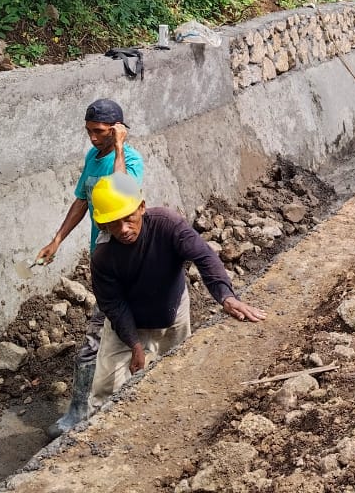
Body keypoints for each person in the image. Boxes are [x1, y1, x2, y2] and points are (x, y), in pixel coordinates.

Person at [88, 171, 266, 414]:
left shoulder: (166, 224)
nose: (123, 229)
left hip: (172, 310)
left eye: (128, 218)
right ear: (102, 223)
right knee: (106, 388)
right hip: (129, 322)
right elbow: (114, 305)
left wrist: (226, 296)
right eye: (114, 223)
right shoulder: (103, 256)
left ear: (141, 207)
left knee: (176, 374)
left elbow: (203, 256)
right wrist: (135, 344)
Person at [36, 97, 144, 437]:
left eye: (99, 132)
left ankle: (80, 412)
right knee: (116, 332)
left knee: (98, 338)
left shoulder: (130, 160)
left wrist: (121, 147)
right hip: (104, 256)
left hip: (126, 255)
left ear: (116, 129)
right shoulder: (92, 157)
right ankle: (101, 402)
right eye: (89, 132)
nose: (93, 138)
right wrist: (57, 239)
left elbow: (121, 190)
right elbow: (83, 199)